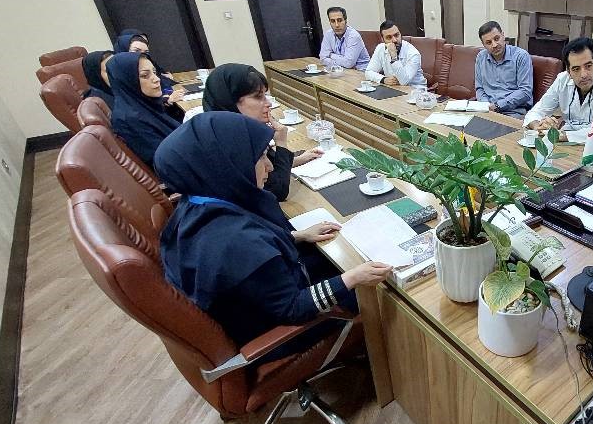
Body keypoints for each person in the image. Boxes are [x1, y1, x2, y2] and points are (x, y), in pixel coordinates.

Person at [154, 112, 391, 349]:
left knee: (333, 257)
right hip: (277, 332)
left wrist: (297, 235)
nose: (269, 166)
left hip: (258, 301)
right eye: (259, 158)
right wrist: (353, 278)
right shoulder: (233, 240)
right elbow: (293, 309)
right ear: (227, 164)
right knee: (383, 293)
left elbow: (256, 256)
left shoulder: (198, 203)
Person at [202, 63, 322, 202]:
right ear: (229, 100)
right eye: (258, 97)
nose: (268, 103)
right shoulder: (230, 142)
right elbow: (278, 190)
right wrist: (281, 143)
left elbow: (268, 167)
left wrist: (297, 160)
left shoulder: (231, 127)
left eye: (265, 95)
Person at [523, 37, 593, 142]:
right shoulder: (562, 80)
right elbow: (536, 111)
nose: (583, 75)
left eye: (588, 66)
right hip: (568, 142)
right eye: (576, 69)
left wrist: (561, 135)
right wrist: (539, 126)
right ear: (569, 72)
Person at [108, 51, 180, 168]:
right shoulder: (130, 119)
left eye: (154, 72)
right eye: (145, 75)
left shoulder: (143, 104)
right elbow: (167, 161)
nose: (156, 79)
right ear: (127, 80)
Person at [473, 20, 533, 119]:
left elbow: (525, 91)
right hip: (487, 110)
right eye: (488, 42)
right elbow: (479, 88)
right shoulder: (481, 57)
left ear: (503, 36)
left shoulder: (521, 56)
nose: (494, 45)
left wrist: (497, 106)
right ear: (483, 45)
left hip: (513, 111)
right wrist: (486, 106)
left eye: (497, 39)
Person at [113, 28, 181, 99]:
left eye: (146, 52)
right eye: (136, 51)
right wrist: (165, 99)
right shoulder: (121, 77)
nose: (157, 79)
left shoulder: (147, 62)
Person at [364, 21, 426, 90]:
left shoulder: (413, 53)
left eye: (396, 35)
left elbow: (404, 81)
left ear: (400, 34)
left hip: (415, 90)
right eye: (389, 37)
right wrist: (383, 79)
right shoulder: (380, 48)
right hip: (394, 88)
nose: (394, 40)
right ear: (383, 39)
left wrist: (394, 57)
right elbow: (368, 72)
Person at [318, 6, 369, 71]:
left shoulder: (353, 36)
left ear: (345, 21)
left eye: (339, 20)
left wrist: (330, 55)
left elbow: (349, 63)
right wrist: (342, 61)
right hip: (342, 70)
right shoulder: (328, 34)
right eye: (333, 21)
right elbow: (322, 58)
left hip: (360, 71)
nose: (336, 25)